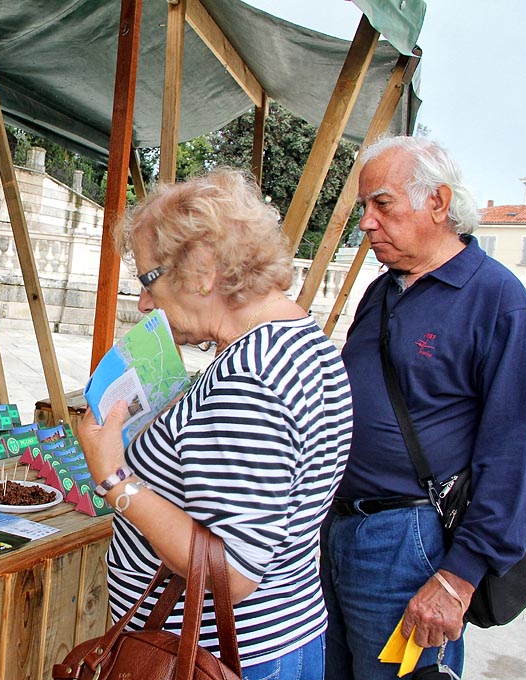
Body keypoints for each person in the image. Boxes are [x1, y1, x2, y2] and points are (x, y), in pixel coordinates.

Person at [78, 169, 353, 679]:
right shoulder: (301, 341)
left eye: (146, 278)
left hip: (217, 657)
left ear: (202, 269)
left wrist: (115, 478)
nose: (142, 301)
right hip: (279, 636)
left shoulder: (250, 377)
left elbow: (235, 570)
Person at [322, 136, 526, 679]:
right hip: (338, 530)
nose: (366, 224)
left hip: (410, 542)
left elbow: (518, 454)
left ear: (439, 204)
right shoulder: (384, 291)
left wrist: (458, 578)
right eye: (362, 209)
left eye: (382, 204)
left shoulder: (498, 301)